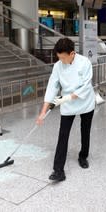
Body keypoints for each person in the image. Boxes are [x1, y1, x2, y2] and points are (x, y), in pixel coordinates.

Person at [36, 38, 95, 182]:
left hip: (85, 102)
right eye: (59, 58)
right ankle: (58, 170)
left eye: (63, 58)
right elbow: (52, 87)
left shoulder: (85, 63)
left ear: (72, 53)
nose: (61, 60)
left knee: (85, 130)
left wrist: (67, 98)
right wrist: (43, 112)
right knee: (63, 134)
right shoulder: (58, 66)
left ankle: (83, 156)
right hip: (68, 105)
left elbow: (86, 87)